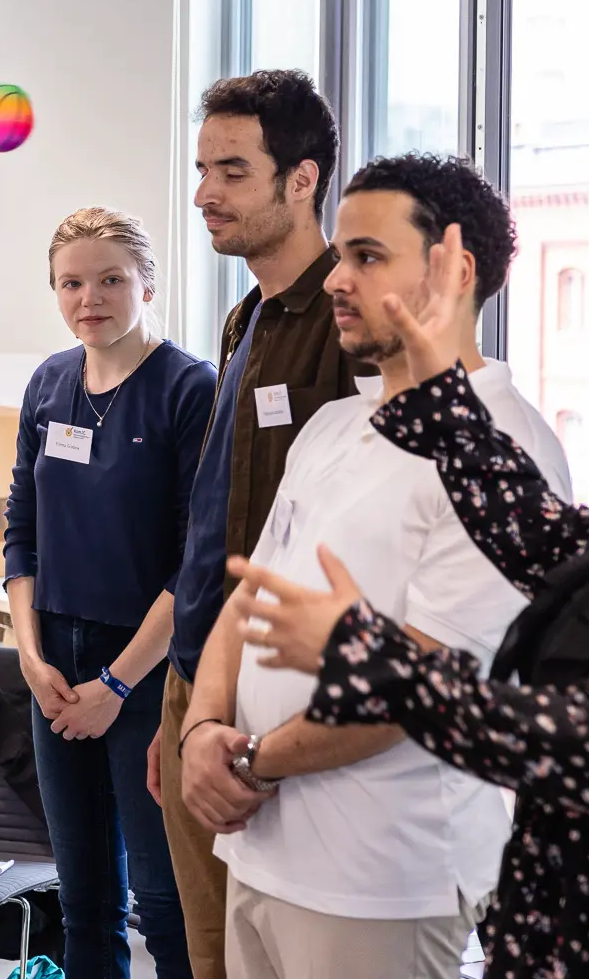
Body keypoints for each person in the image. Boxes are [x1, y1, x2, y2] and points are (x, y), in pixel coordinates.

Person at [180, 154, 570, 979]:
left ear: (453, 269)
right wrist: (201, 728)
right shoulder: (333, 426)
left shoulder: (503, 450)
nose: (333, 280)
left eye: (366, 256)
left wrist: (246, 762)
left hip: (384, 880)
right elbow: (248, 594)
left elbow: (426, 679)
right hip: (260, 858)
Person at [152, 69, 370, 977]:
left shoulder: (347, 324)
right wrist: (181, 701)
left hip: (283, 698)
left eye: (232, 171)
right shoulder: (245, 315)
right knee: (213, 951)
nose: (205, 193)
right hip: (201, 676)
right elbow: (217, 520)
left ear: (301, 179)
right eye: (201, 169)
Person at [4, 208, 213, 977]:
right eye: (71, 283)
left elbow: (197, 558)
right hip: (54, 662)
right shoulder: (49, 381)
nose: (89, 297)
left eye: (110, 280)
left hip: (147, 668)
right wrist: (28, 657)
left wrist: (119, 682)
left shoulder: (188, 387)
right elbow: (19, 526)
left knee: (162, 904)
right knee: (82, 901)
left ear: (147, 283)